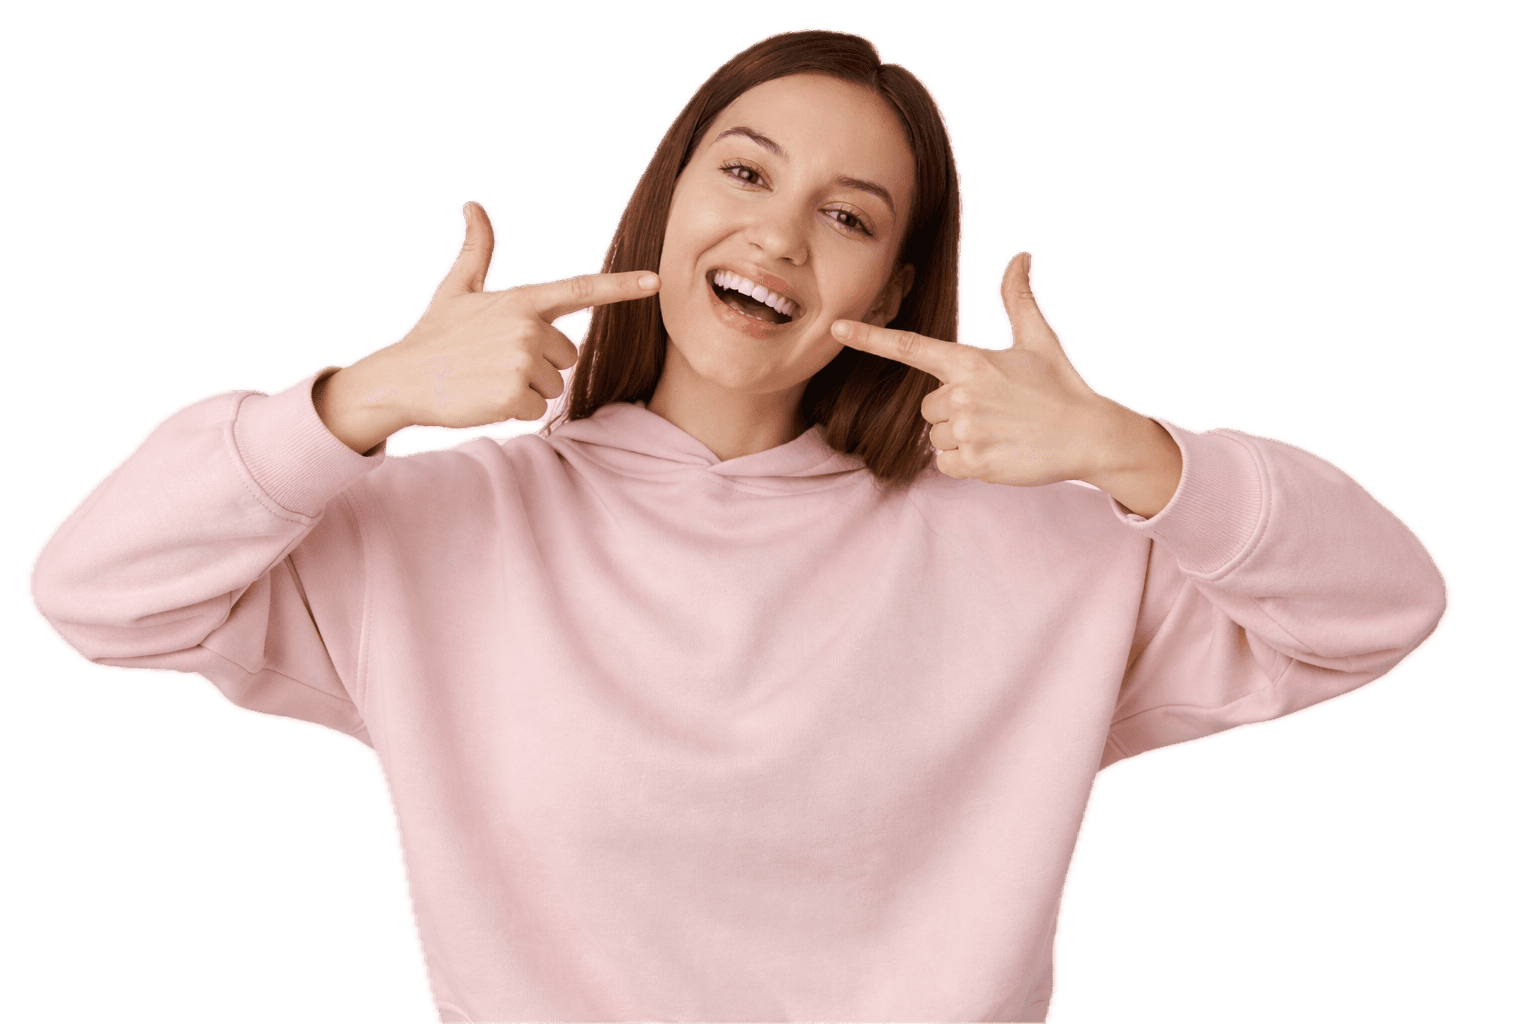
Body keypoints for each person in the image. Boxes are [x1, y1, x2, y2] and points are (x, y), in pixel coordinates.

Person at [27, 27, 1449, 1024]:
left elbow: (1387, 606)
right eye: (748, 173)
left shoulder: (1048, 553)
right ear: (670, 199)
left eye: (849, 217)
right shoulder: (438, 532)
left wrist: (1133, 455)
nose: (777, 235)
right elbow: (91, 590)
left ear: (892, 286)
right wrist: (365, 399)